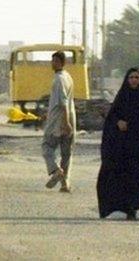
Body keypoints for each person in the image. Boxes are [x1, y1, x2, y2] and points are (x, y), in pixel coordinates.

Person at [96, 68, 139, 220]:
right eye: (131, 77)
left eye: (137, 77)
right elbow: (111, 119)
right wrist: (118, 122)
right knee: (123, 178)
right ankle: (128, 210)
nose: (134, 80)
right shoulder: (122, 98)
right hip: (124, 149)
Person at [42, 51, 77, 192]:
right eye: (52, 61)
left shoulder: (59, 79)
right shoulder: (67, 77)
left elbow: (63, 103)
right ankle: (65, 184)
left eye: (55, 61)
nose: (53, 64)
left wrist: (65, 122)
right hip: (67, 119)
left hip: (59, 121)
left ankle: (56, 170)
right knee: (66, 153)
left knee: (47, 147)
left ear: (62, 63)